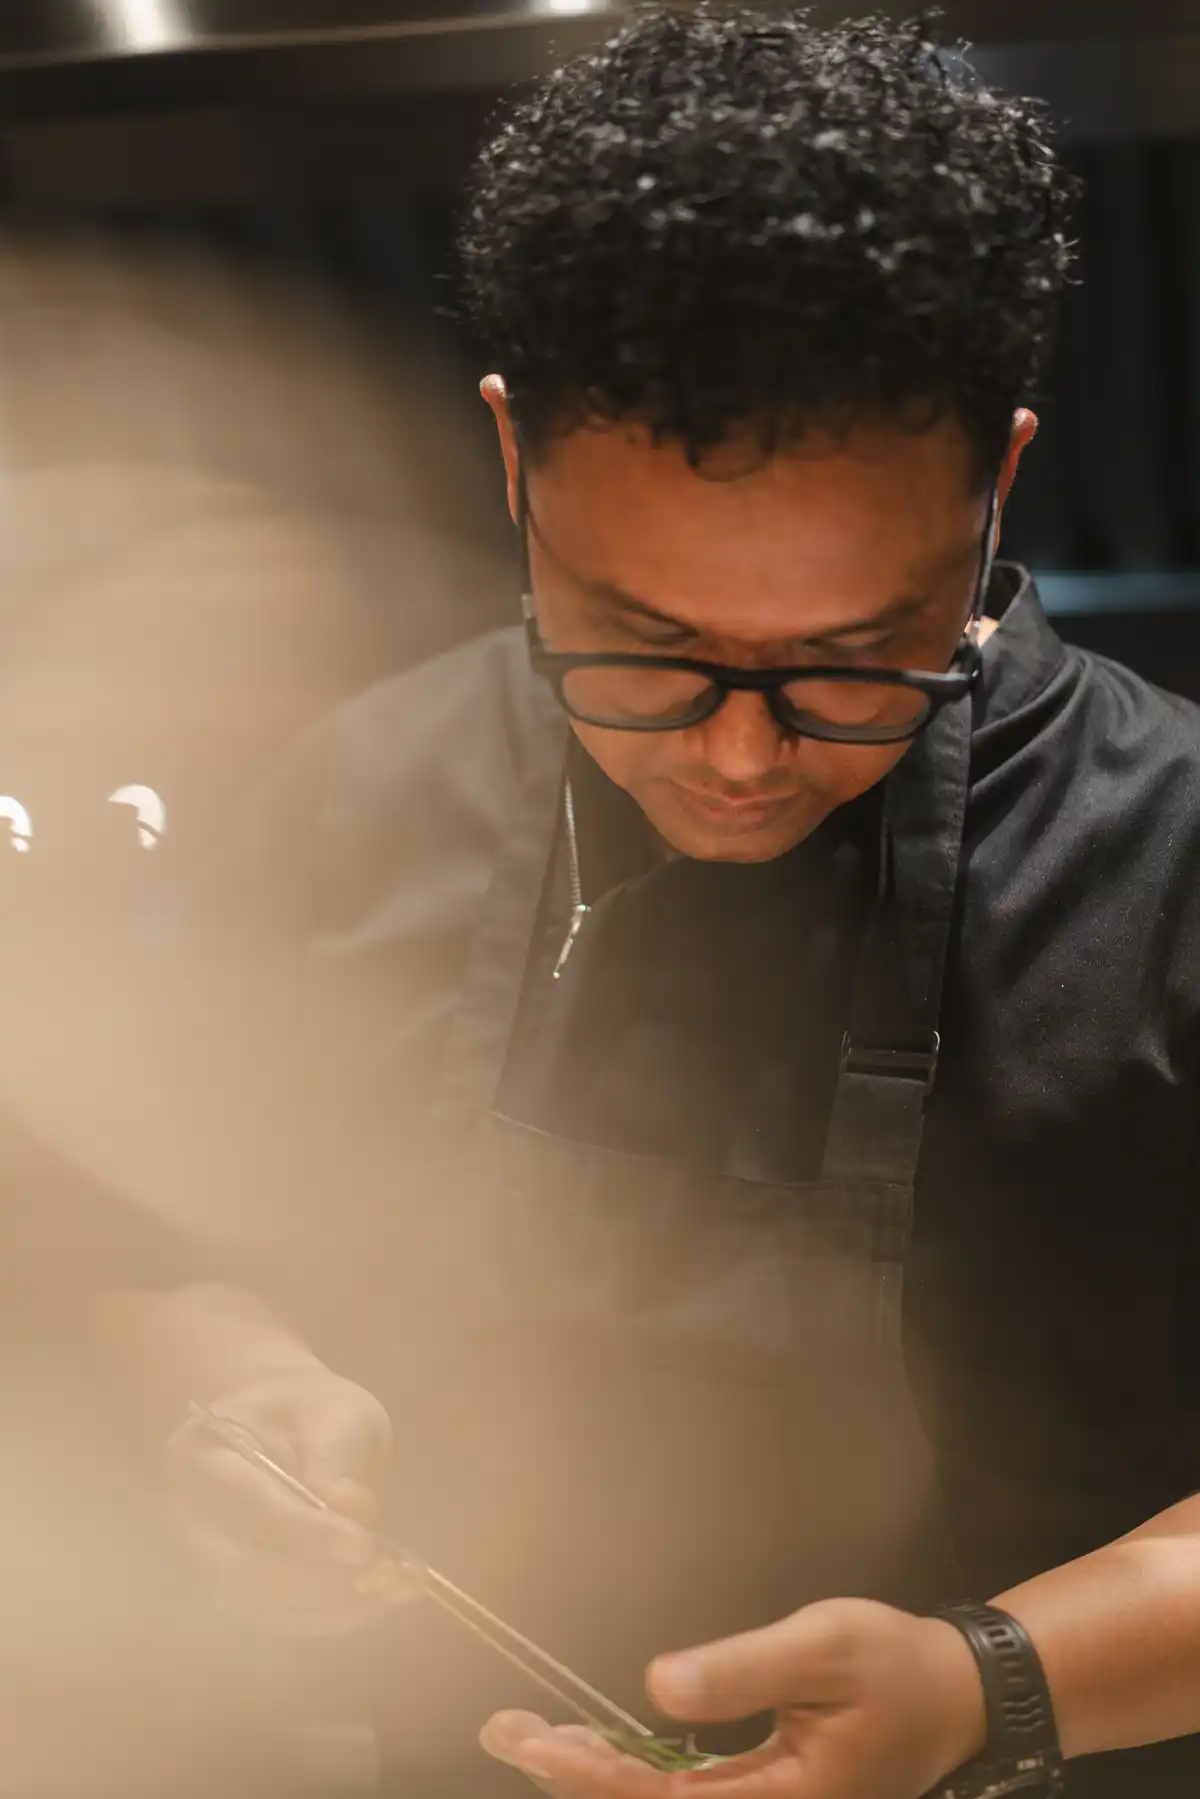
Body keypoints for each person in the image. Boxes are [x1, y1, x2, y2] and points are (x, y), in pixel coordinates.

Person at [101, 8, 1200, 1798]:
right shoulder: (356, 791)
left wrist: (988, 1681)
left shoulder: (1173, 852)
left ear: (999, 479)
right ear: (512, 462)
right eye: (644, 648)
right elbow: (159, 1234)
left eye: (854, 658)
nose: (740, 757)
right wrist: (235, 1391)